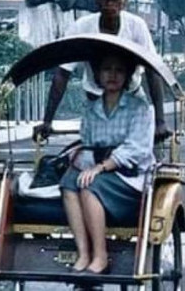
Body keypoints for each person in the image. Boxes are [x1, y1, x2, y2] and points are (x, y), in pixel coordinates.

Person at [35, 0, 170, 141]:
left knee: (148, 153)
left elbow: (152, 70)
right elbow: (62, 73)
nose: (110, 3)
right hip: (96, 103)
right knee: (91, 152)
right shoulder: (82, 26)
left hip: (132, 99)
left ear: (124, 1)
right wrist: (48, 120)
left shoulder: (136, 26)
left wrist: (160, 121)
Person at [60, 50, 155, 274]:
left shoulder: (139, 108)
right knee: (69, 182)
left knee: (89, 185)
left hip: (130, 176)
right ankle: (84, 254)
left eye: (119, 70)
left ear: (127, 75)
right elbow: (88, 146)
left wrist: (101, 167)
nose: (112, 75)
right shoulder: (91, 110)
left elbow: (137, 149)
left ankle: (100, 256)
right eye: (106, 69)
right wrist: (81, 164)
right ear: (97, 74)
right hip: (99, 170)